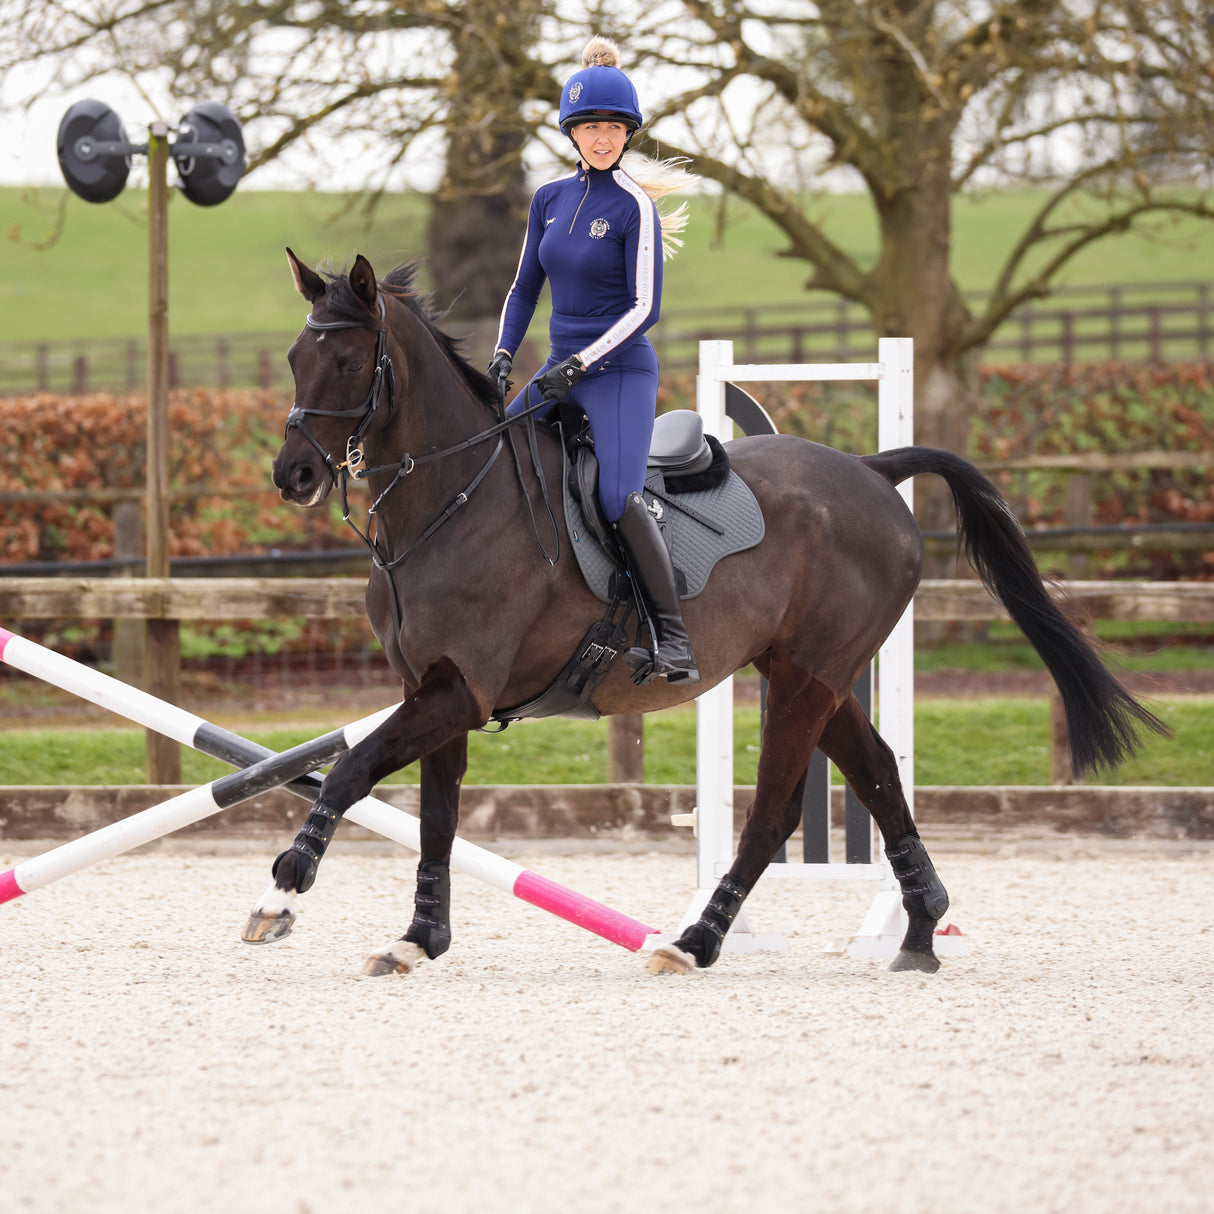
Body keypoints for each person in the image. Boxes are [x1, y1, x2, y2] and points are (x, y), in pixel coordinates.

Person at [488, 36, 700, 685]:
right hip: (559, 368)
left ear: (626, 133)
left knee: (615, 493)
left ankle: (673, 637)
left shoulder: (634, 205)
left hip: (617, 373)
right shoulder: (548, 200)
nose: (601, 138)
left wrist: (578, 367)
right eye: (589, 127)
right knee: (498, 456)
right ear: (572, 132)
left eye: (611, 128)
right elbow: (524, 287)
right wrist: (501, 355)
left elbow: (644, 309)